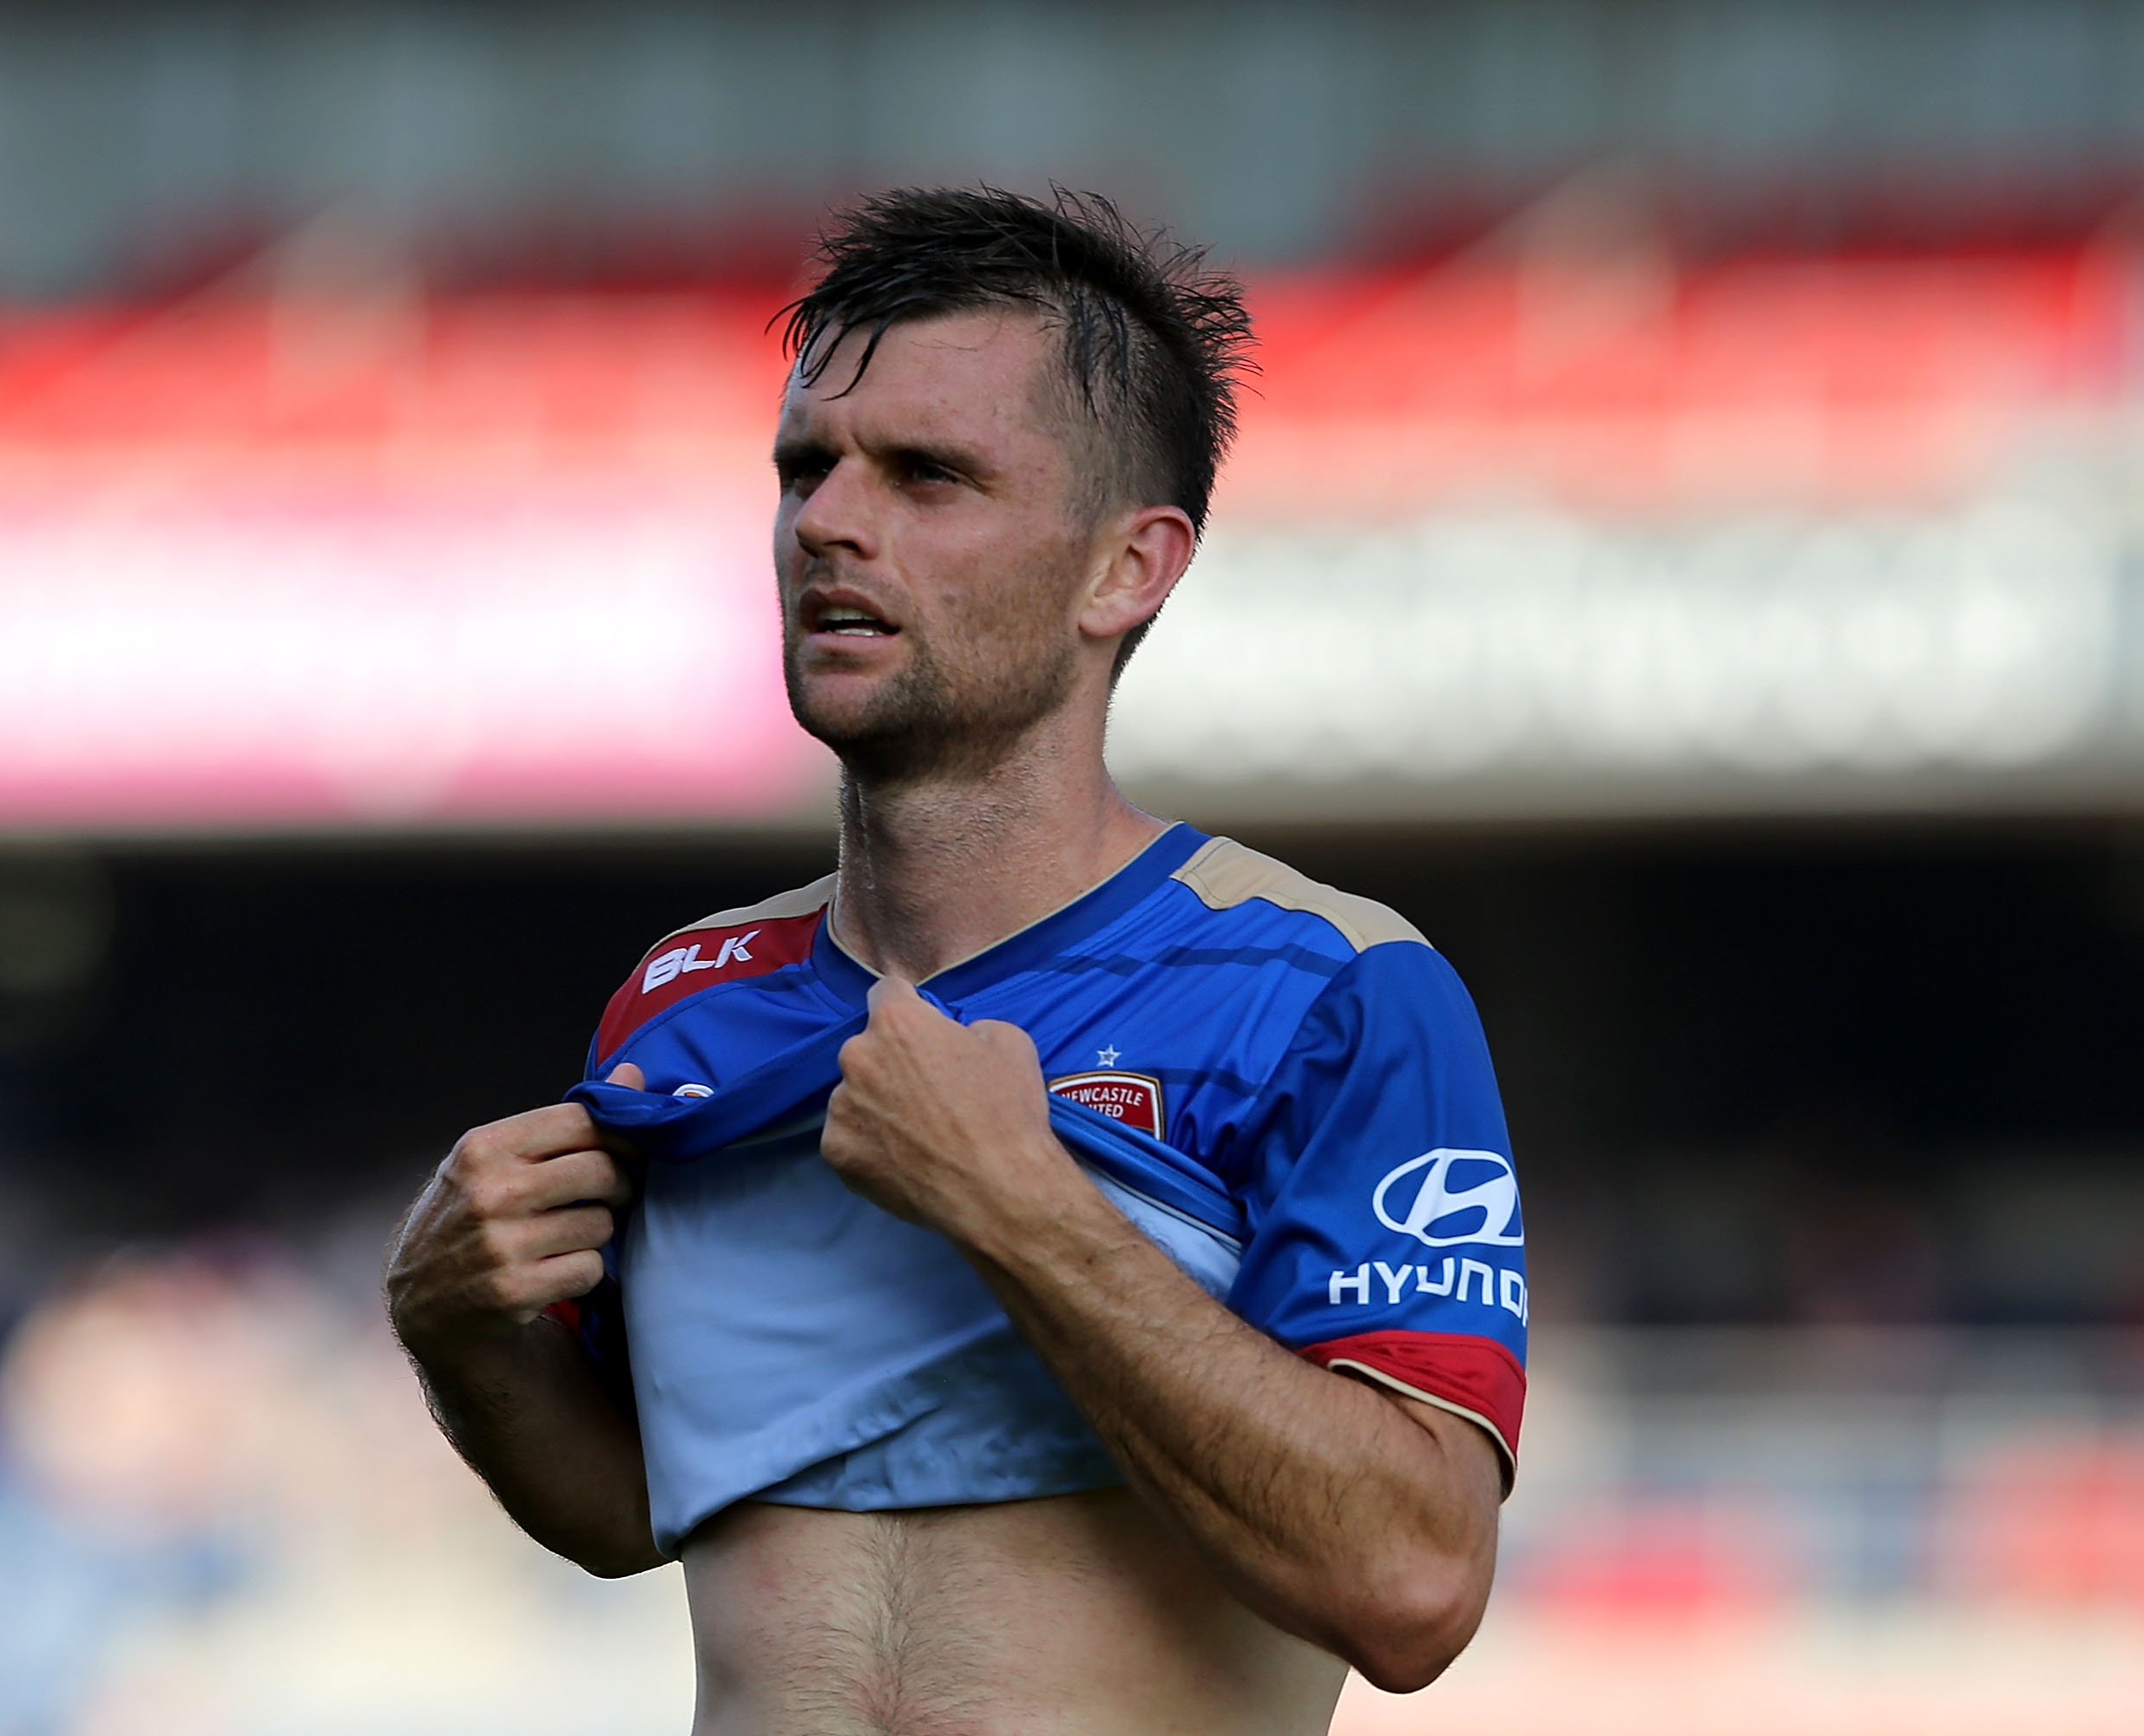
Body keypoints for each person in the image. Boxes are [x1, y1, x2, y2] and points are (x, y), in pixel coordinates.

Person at [386, 187, 1525, 1735]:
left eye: (929, 476)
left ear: (1127, 568)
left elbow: (1413, 1584)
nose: (831, 523)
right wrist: (459, 1335)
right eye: (808, 468)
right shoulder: (687, 999)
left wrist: (1021, 1209)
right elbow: (630, 1509)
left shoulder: (1326, 988)